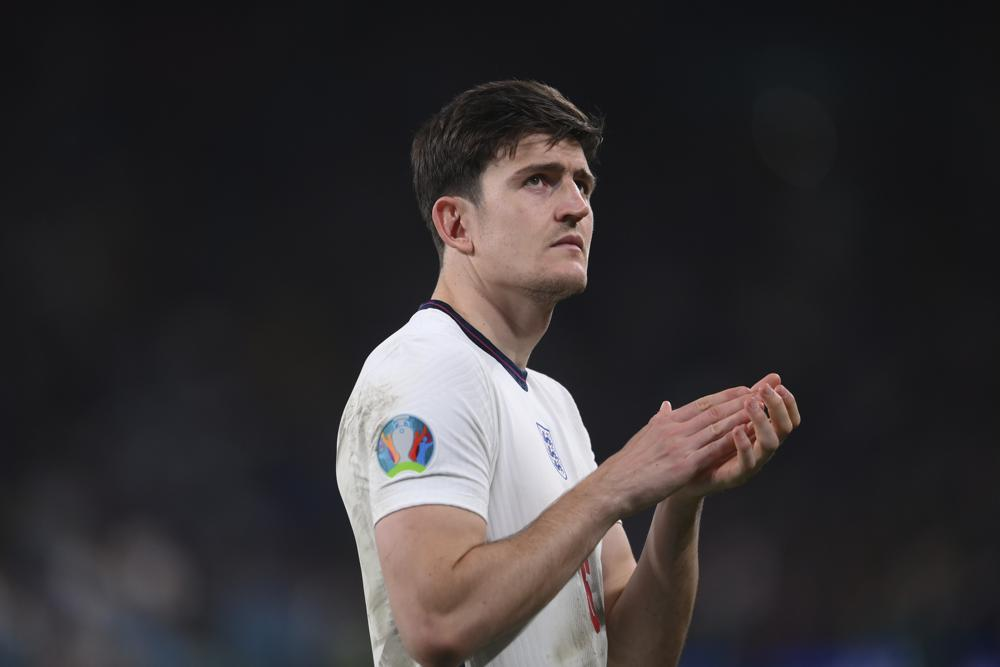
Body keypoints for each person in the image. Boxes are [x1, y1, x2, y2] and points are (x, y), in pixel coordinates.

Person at [336, 79, 801, 667]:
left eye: (582, 183)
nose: (576, 206)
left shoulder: (552, 403)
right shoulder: (428, 367)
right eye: (538, 179)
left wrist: (680, 501)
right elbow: (438, 622)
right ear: (456, 225)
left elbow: (634, 657)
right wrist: (615, 484)